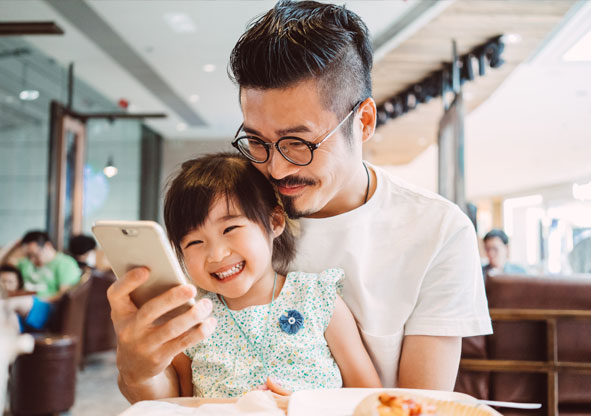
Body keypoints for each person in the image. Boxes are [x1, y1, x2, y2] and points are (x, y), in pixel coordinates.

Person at [108, 0, 491, 402]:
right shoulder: (232, 211)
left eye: (297, 143)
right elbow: (174, 393)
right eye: (256, 141)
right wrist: (137, 368)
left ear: (363, 123)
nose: (274, 168)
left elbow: (416, 407)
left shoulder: (438, 232)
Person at [161, 153, 380, 397]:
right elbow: (178, 406)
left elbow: (370, 398)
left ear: (274, 222)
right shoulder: (190, 321)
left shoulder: (317, 299)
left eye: (230, 228)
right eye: (194, 242)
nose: (216, 254)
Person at [17, 231, 81, 301]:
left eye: (35, 255)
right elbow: (3, 266)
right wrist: (15, 245)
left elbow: (64, 295)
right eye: (29, 256)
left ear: (48, 246)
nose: (32, 260)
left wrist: (40, 304)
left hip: (47, 306)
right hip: (23, 303)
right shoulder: (25, 263)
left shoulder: (66, 263)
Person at [0, 264, 55, 332]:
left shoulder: (27, 299)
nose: (6, 285)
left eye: (10, 282)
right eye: (3, 281)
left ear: (18, 283)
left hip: (41, 315)